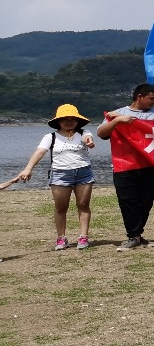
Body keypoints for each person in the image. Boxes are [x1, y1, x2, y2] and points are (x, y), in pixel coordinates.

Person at [15, 104, 96, 250]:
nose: (69, 122)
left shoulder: (84, 132)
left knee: (83, 205)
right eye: (65, 119)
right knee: (61, 207)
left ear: (78, 120)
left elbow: (88, 138)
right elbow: (40, 152)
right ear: (58, 121)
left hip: (83, 172)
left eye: (73, 119)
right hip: (60, 174)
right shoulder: (50, 137)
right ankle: (61, 238)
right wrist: (28, 169)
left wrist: (89, 142)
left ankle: (83, 237)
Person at [96, 83, 154, 251]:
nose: (153, 102)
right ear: (139, 97)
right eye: (151, 98)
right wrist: (118, 120)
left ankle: (138, 234)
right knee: (128, 202)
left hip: (148, 164)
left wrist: (121, 119)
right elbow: (101, 133)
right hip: (123, 164)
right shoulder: (118, 113)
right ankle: (133, 236)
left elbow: (147, 130)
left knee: (146, 201)